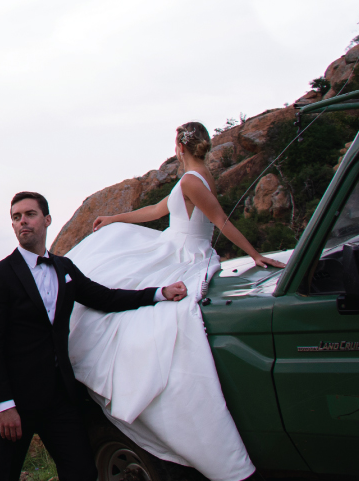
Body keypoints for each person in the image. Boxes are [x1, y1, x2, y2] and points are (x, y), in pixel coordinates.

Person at [66, 122, 286, 481]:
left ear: (180, 146)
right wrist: (115, 218)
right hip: (175, 243)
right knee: (112, 257)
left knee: (113, 285)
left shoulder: (191, 181)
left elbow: (221, 221)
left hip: (183, 253)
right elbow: (156, 211)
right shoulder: (198, 177)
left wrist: (255, 254)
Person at [0, 191, 189, 481]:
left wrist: (158, 293)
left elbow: (104, 298)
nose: (22, 222)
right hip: (15, 401)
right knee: (3, 476)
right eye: (16, 217)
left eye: (30, 214)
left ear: (47, 219)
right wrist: (4, 404)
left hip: (58, 396)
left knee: (82, 472)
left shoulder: (63, 268)